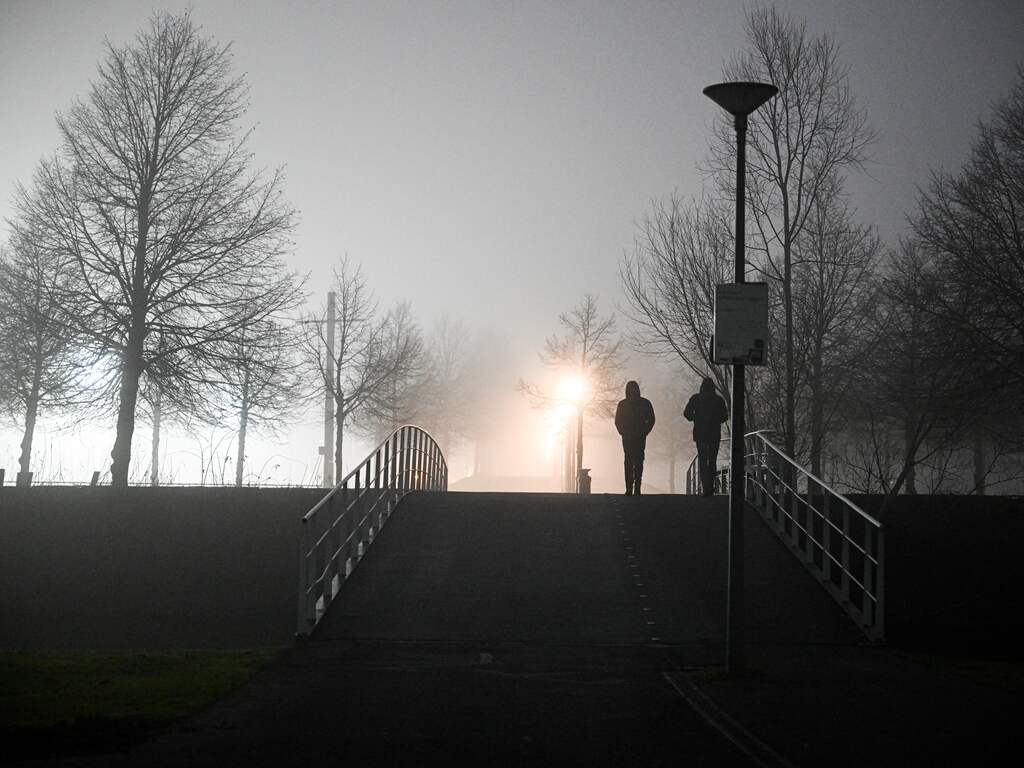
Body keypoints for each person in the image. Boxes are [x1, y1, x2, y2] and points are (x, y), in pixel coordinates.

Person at [684, 377, 729, 497]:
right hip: (714, 434)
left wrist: (696, 417)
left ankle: (705, 487)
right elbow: (725, 417)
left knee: (703, 461)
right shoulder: (718, 400)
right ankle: (711, 486)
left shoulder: (696, 399)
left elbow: (686, 413)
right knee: (712, 460)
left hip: (700, 435)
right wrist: (716, 419)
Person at [614, 380, 656, 496]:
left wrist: (623, 432)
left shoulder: (622, 404)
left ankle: (629, 488)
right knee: (639, 461)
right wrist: (645, 431)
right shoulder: (645, 403)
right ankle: (637, 487)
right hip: (639, 436)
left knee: (628, 461)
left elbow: (617, 421)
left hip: (628, 437)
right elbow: (651, 419)